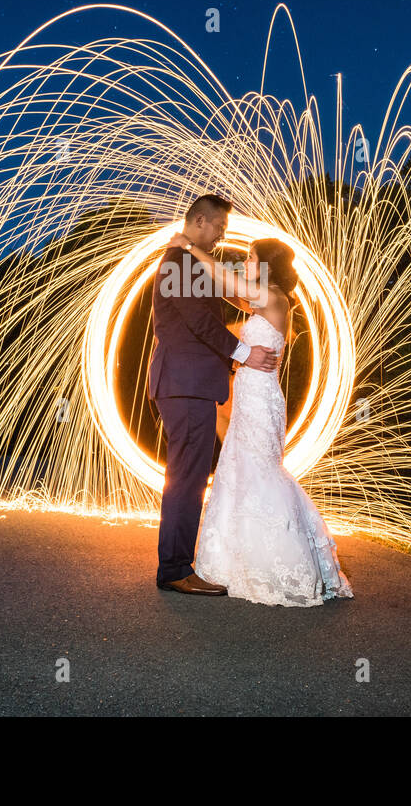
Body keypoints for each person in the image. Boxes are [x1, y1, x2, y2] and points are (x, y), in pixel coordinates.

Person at [166, 229, 354, 607]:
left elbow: (225, 279)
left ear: (267, 265)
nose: (245, 262)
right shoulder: (263, 300)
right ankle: (241, 561)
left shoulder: (272, 297)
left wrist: (188, 247)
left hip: (261, 399)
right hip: (251, 395)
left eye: (251, 257)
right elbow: (226, 290)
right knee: (241, 471)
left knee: (262, 472)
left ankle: (283, 563)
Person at [147, 194, 279, 595]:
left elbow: (226, 296)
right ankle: (174, 570)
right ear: (200, 220)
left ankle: (177, 564)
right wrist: (244, 353)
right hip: (185, 386)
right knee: (186, 478)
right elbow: (200, 322)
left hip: (189, 386)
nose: (223, 235)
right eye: (220, 227)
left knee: (188, 476)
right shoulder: (178, 263)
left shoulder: (186, 262)